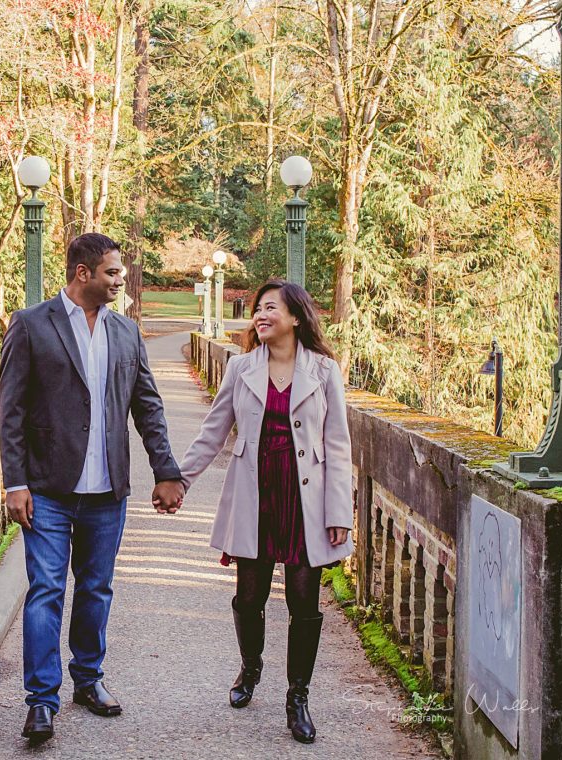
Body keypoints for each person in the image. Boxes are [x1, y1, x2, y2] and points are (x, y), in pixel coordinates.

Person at [0, 232, 186, 746]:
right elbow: (9, 411)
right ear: (83, 273)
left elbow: (147, 406)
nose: (120, 279)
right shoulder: (32, 324)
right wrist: (15, 483)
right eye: (112, 273)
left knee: (97, 588)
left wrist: (166, 471)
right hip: (48, 491)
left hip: (108, 493)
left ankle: (88, 679)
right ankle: (41, 702)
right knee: (46, 592)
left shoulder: (126, 332)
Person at [178, 279, 354, 744]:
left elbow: (337, 447)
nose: (260, 314)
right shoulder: (241, 367)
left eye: (270, 308)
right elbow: (213, 431)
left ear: (296, 317)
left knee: (304, 604)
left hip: (306, 502)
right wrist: (179, 479)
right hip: (254, 497)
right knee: (249, 597)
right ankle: (250, 667)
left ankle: (298, 697)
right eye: (258, 308)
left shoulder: (323, 371)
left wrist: (340, 512)